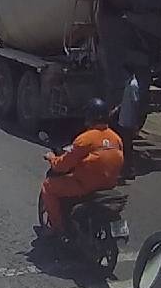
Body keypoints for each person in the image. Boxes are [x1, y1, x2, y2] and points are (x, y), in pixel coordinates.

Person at [38, 98, 124, 238]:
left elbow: (61, 166)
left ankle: (56, 228)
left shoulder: (85, 139)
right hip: (108, 185)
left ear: (89, 117)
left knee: (48, 186)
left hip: (85, 186)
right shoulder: (116, 138)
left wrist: (52, 158)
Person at [111, 65, 143, 177]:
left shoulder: (133, 85)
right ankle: (125, 169)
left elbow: (135, 103)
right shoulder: (128, 83)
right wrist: (117, 109)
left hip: (128, 120)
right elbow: (126, 101)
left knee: (127, 147)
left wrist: (135, 122)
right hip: (123, 118)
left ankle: (130, 170)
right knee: (124, 145)